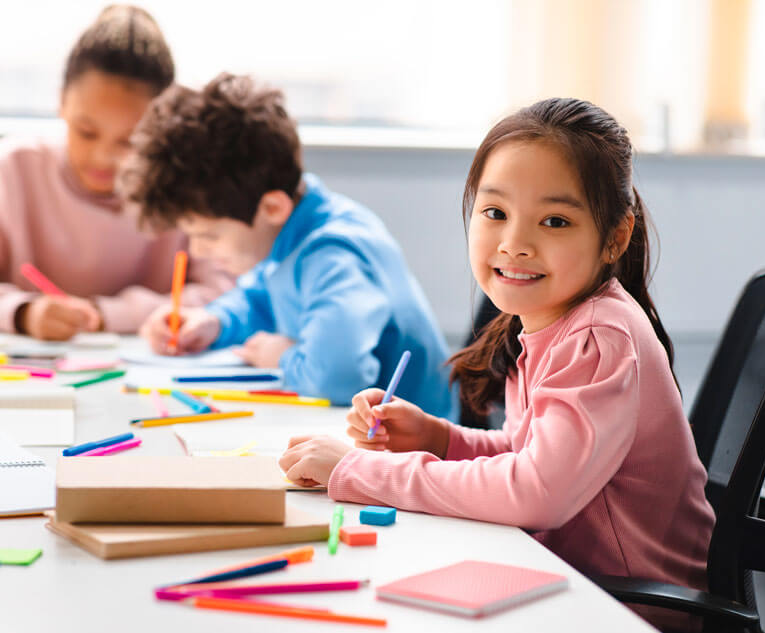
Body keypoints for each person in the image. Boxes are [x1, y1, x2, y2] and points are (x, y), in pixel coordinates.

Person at [278, 98, 715, 625]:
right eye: (495, 213)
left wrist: (360, 470)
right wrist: (439, 438)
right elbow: (529, 452)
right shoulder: (551, 322)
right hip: (574, 583)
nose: (515, 244)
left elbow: (537, 492)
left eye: (554, 221)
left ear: (614, 238)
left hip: (626, 609)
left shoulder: (599, 338)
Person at [126, 73, 455, 416]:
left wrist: (281, 357)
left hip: (416, 440)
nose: (197, 251)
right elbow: (261, 300)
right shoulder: (289, 229)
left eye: (209, 236)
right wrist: (214, 322)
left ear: (272, 208)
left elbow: (339, 378)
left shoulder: (332, 254)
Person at [0, 5, 233, 340]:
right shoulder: (10, 168)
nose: (104, 158)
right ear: (61, 102)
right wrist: (22, 312)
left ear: (161, 125)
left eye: (130, 141)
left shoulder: (186, 185)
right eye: (86, 132)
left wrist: (109, 316)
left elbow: (231, 295)